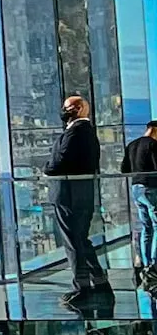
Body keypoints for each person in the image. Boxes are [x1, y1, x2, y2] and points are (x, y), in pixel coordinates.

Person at [49, 95, 111, 304]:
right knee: (80, 239)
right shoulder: (85, 132)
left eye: (67, 107)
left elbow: (61, 160)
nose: (63, 110)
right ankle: (100, 281)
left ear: (79, 108)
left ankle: (81, 286)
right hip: (80, 193)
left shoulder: (77, 131)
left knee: (73, 241)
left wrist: (48, 170)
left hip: (69, 193)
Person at [124, 120, 157, 290]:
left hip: (136, 188)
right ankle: (154, 266)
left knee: (147, 227)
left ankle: (146, 263)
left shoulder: (132, 145)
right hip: (152, 188)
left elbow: (124, 169)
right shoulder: (153, 145)